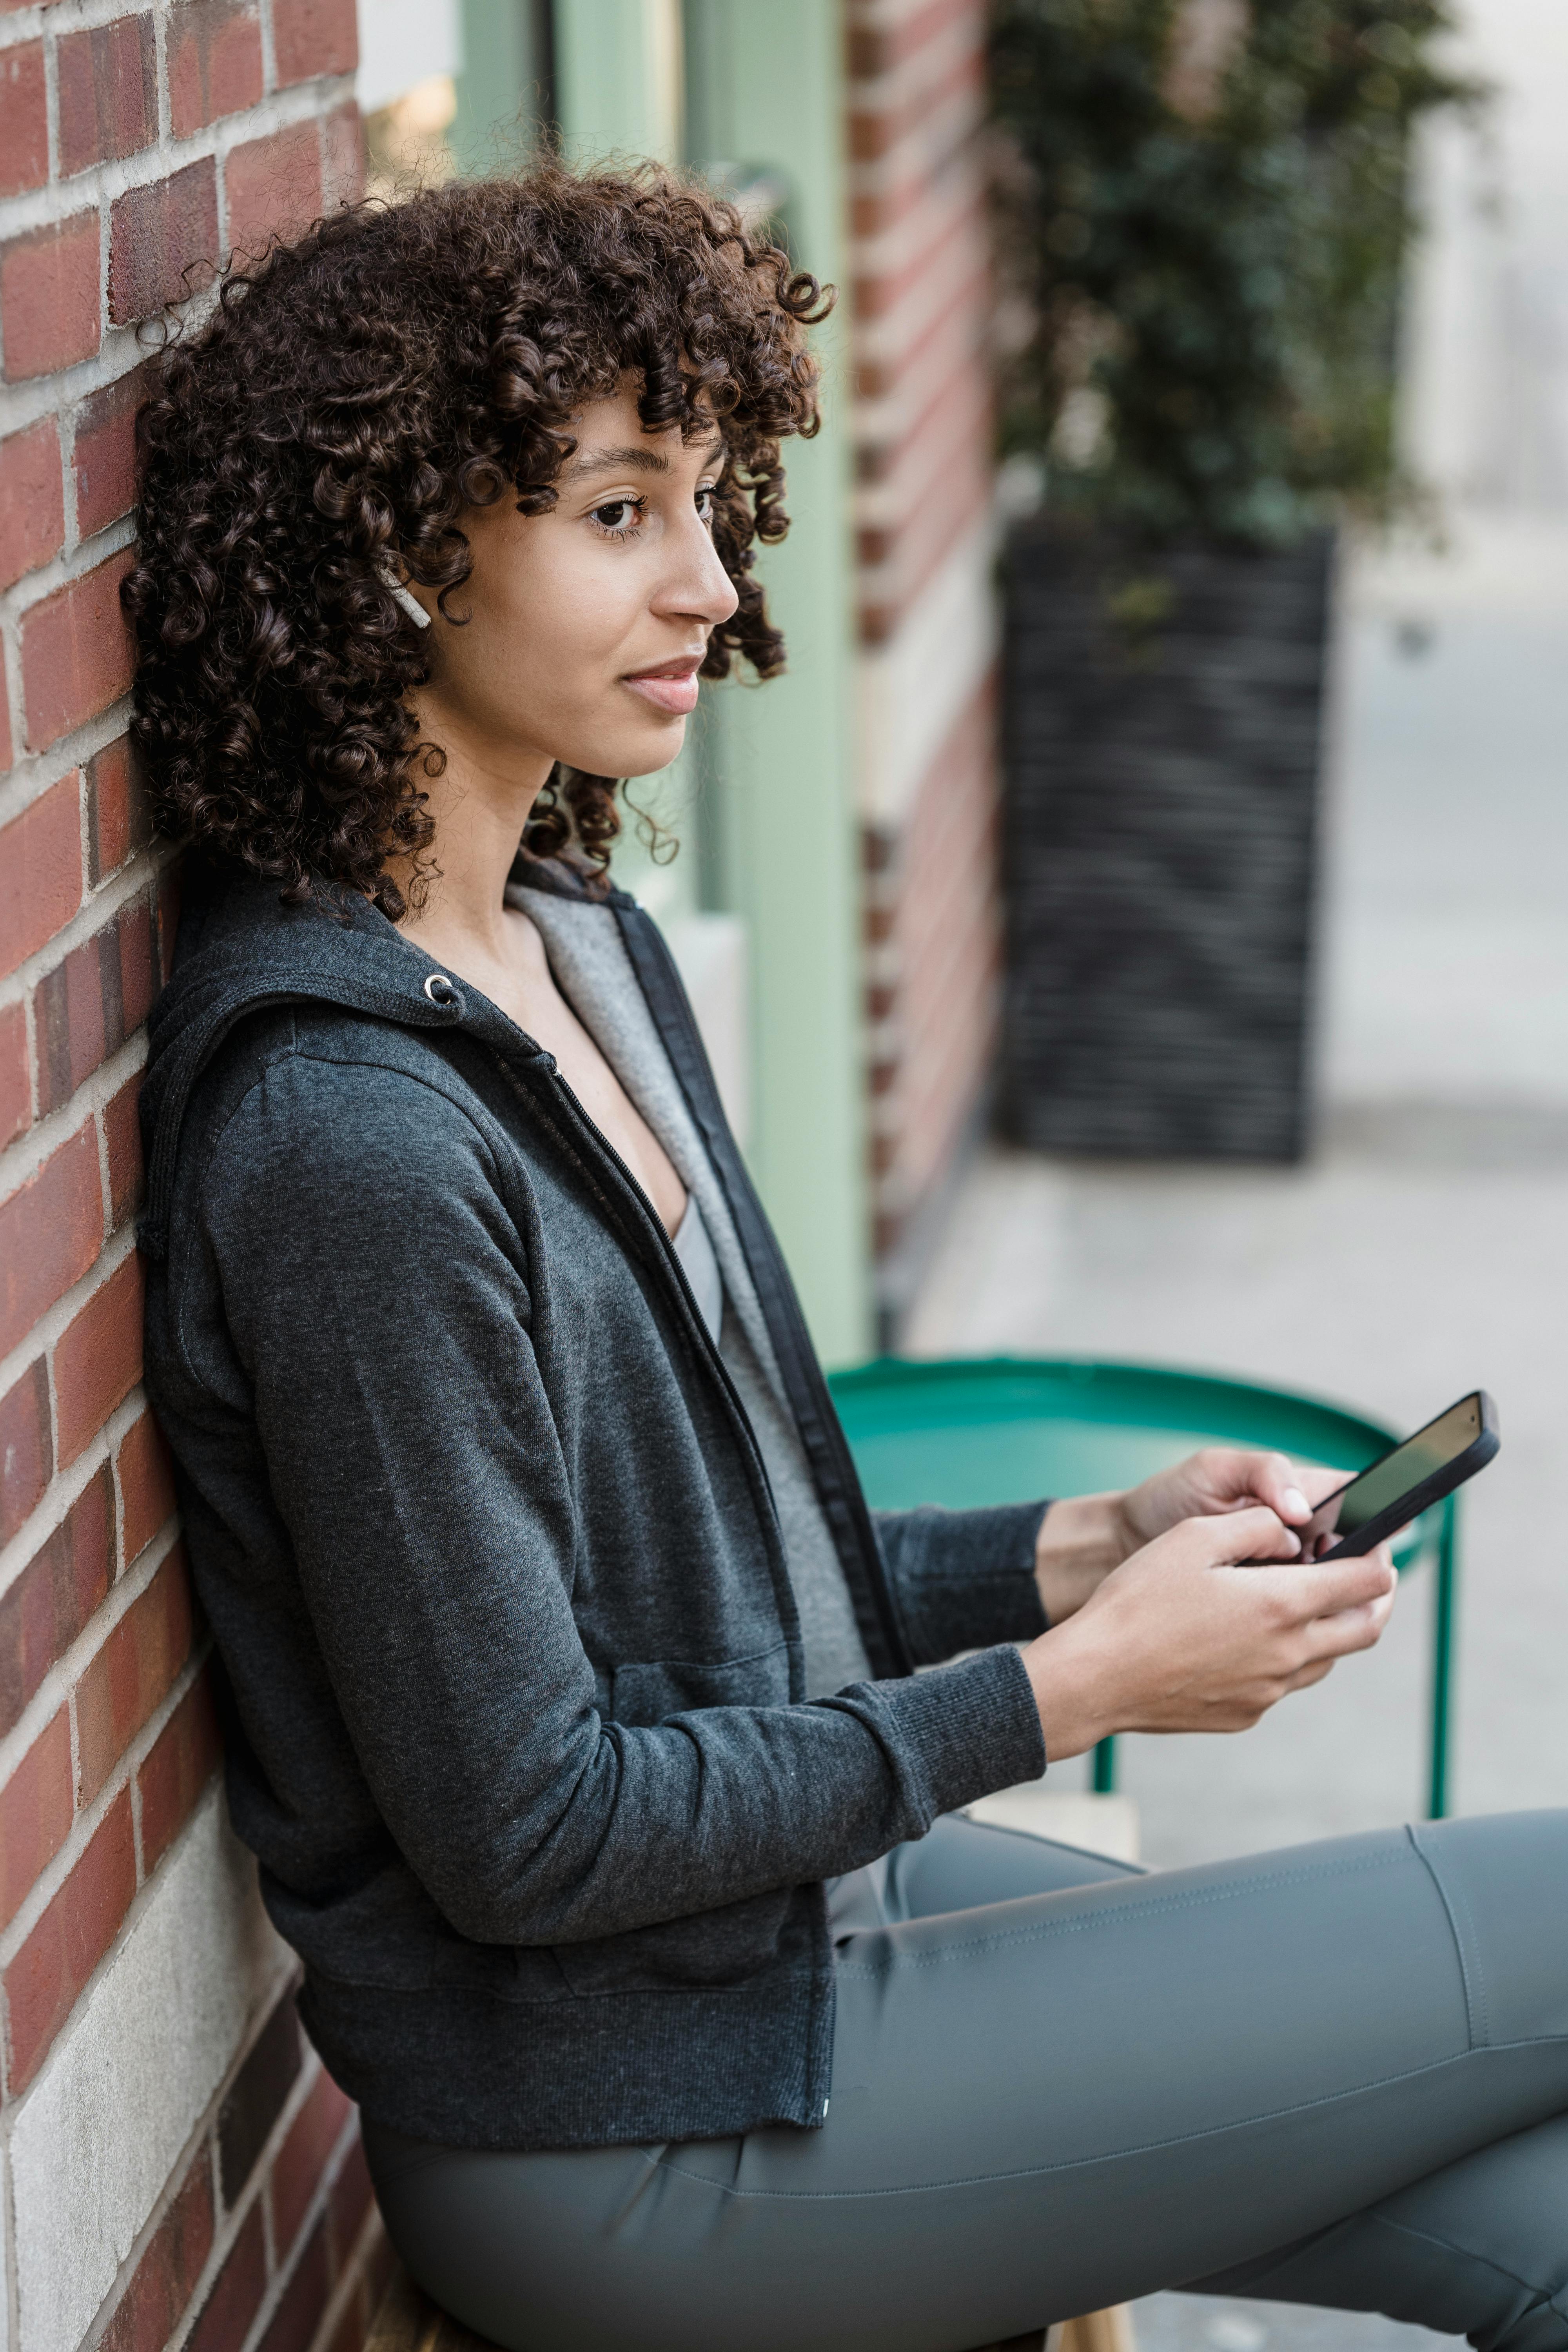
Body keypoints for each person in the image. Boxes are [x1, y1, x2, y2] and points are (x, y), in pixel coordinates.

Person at [128, 165, 1568, 2352]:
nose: (709, 583)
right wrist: (1077, 1696)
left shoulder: (577, 958)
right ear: (406, 549)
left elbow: (716, 1620)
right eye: (619, 514)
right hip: (623, 2133)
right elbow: (534, 1827)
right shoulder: (350, 1142)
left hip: (778, 1957)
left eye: (710, 503)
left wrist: (1077, 1554)